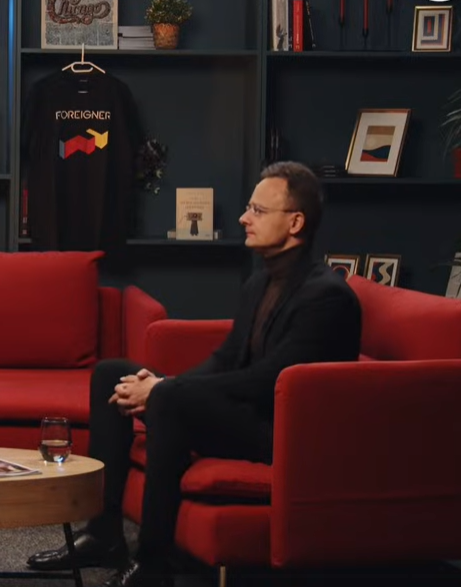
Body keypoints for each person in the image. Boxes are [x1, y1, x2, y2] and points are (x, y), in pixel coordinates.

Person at [25, 161, 362, 587]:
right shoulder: (259, 283)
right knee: (112, 373)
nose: (244, 218)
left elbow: (270, 380)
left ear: (295, 222)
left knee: (169, 397)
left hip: (281, 433)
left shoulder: (326, 297)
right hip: (246, 412)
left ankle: (154, 563)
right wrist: (159, 384)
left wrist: (166, 389)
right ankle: (104, 533)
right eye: (249, 208)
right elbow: (225, 359)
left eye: (258, 210)